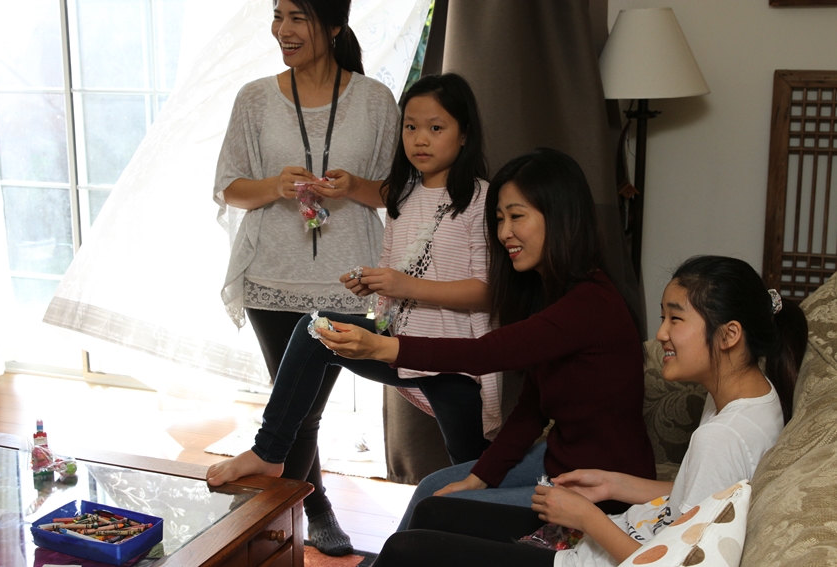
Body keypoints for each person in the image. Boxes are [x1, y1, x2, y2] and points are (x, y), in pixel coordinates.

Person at [208, 72, 499, 554]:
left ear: (464, 133)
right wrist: (374, 281)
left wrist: (402, 284)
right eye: (411, 127)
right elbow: (392, 246)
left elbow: (486, 292)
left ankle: (489, 547)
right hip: (400, 345)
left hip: (454, 362)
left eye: (436, 128)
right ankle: (269, 451)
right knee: (314, 330)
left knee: (475, 472)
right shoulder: (402, 195)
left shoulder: (482, 199)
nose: (420, 139)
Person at [363, 255, 808, 567]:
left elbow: (678, 561)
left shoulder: (722, 436)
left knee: (407, 550)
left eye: (675, 319)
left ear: (729, 335)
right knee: (434, 511)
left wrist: (586, 518)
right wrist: (614, 483)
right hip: (625, 530)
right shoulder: (755, 399)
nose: (661, 334)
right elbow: (700, 495)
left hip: (596, 556)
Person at [319, 147, 657, 531]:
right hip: (561, 461)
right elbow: (531, 408)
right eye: (499, 219)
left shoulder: (591, 302)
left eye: (516, 216)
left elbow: (485, 353)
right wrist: (479, 477)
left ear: (560, 216)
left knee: (441, 512)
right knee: (433, 488)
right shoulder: (553, 294)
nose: (504, 232)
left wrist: (381, 347)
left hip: (604, 488)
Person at [211, 0, 399, 556]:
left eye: (298, 18)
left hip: (350, 280)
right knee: (297, 405)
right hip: (271, 274)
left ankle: (281, 518)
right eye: (278, 16)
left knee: (302, 407)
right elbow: (228, 187)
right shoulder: (254, 98)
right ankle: (303, 515)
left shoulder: (375, 100)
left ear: (334, 25)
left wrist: (354, 186)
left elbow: (398, 193)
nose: (282, 31)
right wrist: (275, 185)